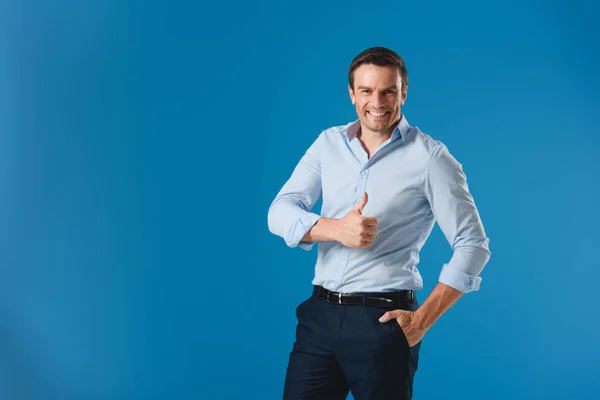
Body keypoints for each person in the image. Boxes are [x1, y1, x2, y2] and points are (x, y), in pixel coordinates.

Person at [267, 46, 491, 400]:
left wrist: (421, 322)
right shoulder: (328, 144)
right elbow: (279, 211)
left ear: (403, 93)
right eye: (367, 91)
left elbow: (473, 244)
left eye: (389, 90)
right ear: (352, 94)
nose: (378, 101)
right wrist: (335, 228)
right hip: (319, 318)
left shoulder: (430, 157)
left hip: (382, 322)